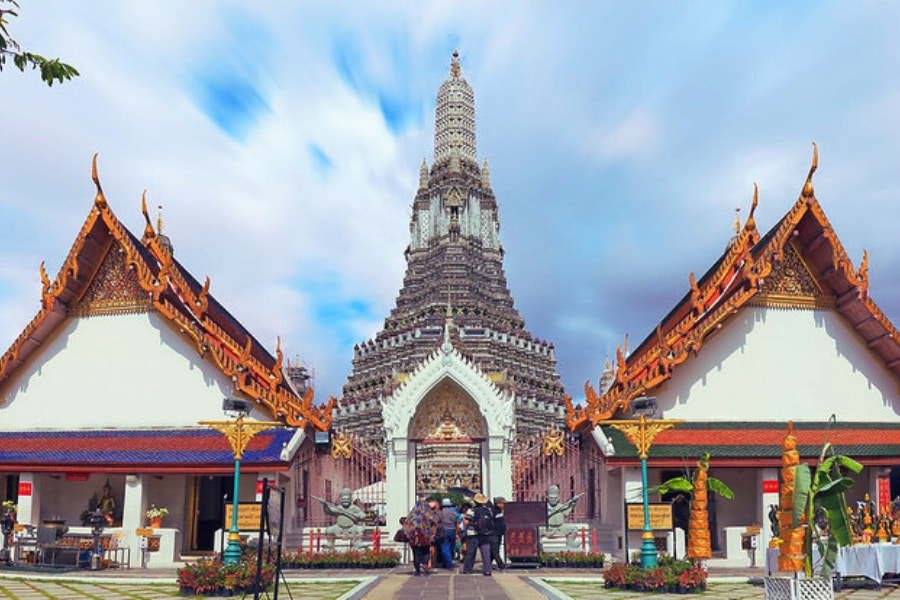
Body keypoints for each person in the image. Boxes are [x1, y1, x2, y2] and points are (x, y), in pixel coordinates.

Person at [403, 498, 441, 575]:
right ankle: (424, 564)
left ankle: (417, 571)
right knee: (426, 552)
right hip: (425, 536)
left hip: (413, 537)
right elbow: (433, 522)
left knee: (416, 553)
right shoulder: (427, 513)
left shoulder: (412, 515)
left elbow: (406, 523)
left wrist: (409, 533)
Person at [461, 493, 494, 576]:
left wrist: (464, 517)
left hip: (473, 534)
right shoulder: (488, 510)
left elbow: (466, 522)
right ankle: (487, 570)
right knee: (486, 552)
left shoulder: (472, 510)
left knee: (471, 552)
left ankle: (467, 569)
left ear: (475, 501)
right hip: (485, 534)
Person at [439, 497, 458, 569]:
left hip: (444, 531)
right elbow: (458, 523)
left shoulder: (440, 512)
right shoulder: (454, 513)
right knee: (450, 547)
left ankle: (449, 564)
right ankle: (446, 563)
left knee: (444, 547)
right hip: (452, 530)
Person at [490, 496, 507, 570]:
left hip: (499, 533)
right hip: (494, 533)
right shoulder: (493, 511)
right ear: (498, 504)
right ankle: (501, 565)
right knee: (495, 550)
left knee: (494, 550)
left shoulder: (499, 511)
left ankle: (488, 564)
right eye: (503, 503)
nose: (504, 505)